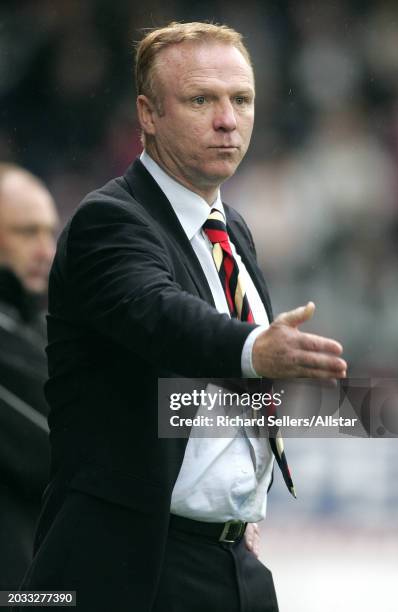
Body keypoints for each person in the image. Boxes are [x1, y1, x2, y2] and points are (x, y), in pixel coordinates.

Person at [20, 22, 347, 611]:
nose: (227, 119)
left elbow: (205, 399)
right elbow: (162, 319)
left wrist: (242, 501)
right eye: (201, 100)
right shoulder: (109, 221)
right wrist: (254, 351)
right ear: (148, 114)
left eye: (240, 99)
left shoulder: (231, 229)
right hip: (135, 568)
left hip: (232, 565)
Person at [0, 163, 58, 588]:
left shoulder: (34, 326)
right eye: (26, 232)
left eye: (49, 232)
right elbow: (79, 445)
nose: (46, 250)